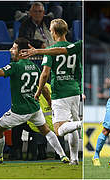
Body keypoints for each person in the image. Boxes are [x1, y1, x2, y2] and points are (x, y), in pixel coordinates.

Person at [0, 37, 69, 164]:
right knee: (46, 130)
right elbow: (44, 88)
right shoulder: (34, 67)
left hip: (20, 110)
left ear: (21, 52)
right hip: (34, 108)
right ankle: (63, 156)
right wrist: (50, 102)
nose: (11, 50)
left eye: (14, 48)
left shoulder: (15, 66)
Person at [32, 19, 82, 165]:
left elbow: (45, 74)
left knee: (59, 129)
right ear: (66, 31)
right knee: (71, 126)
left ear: (53, 32)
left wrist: (39, 90)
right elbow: (79, 69)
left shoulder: (51, 50)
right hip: (74, 90)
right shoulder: (74, 48)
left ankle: (80, 124)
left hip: (60, 93)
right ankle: (74, 158)